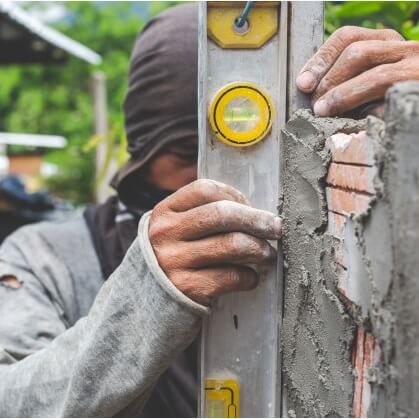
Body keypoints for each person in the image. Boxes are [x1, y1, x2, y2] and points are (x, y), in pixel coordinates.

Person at [1, 3, 418, 417]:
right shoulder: (45, 260)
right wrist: (149, 296)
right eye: (188, 151)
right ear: (142, 154)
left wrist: (405, 128)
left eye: (253, 150)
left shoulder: (335, 230)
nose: (215, 177)